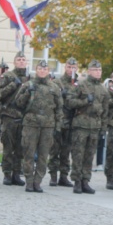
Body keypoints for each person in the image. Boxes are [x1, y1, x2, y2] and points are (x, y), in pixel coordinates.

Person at [15, 60, 63, 192]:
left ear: (48, 71)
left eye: (45, 69)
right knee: (28, 154)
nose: (42, 71)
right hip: (31, 123)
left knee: (43, 155)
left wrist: (58, 127)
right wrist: (26, 93)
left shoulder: (54, 88)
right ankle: (29, 181)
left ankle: (38, 181)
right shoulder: (28, 85)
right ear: (36, 70)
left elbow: (59, 109)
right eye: (40, 69)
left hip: (48, 125)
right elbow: (18, 104)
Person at [66, 59, 109, 194]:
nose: (98, 72)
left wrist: (103, 128)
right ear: (89, 71)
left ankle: (86, 180)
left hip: (94, 127)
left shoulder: (103, 89)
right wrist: (84, 102)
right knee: (78, 155)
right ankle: (77, 181)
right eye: (95, 70)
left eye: (99, 70)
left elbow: (105, 111)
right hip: (81, 126)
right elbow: (69, 101)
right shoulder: (81, 85)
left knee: (90, 156)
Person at [47, 57, 78, 187]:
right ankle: (53, 175)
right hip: (60, 121)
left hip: (73, 121)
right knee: (55, 149)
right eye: (69, 67)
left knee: (67, 151)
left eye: (73, 67)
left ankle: (64, 176)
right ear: (65, 67)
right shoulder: (58, 82)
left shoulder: (79, 84)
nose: (71, 70)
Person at [0, 51, 30, 186]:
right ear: (14, 62)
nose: (22, 61)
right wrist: (13, 85)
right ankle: (7, 173)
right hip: (9, 116)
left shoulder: (30, 78)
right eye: (19, 59)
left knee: (20, 148)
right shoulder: (7, 76)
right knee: (8, 147)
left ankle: (17, 174)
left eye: (24, 59)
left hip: (24, 117)